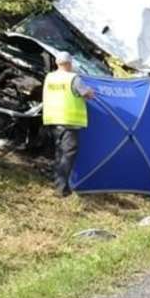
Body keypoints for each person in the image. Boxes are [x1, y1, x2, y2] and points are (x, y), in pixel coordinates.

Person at [41, 53, 95, 197]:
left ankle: (58, 184)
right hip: (69, 122)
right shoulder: (73, 78)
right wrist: (91, 92)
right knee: (68, 154)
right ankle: (62, 189)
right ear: (69, 63)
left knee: (59, 153)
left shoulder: (50, 77)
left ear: (57, 63)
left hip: (53, 120)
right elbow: (86, 94)